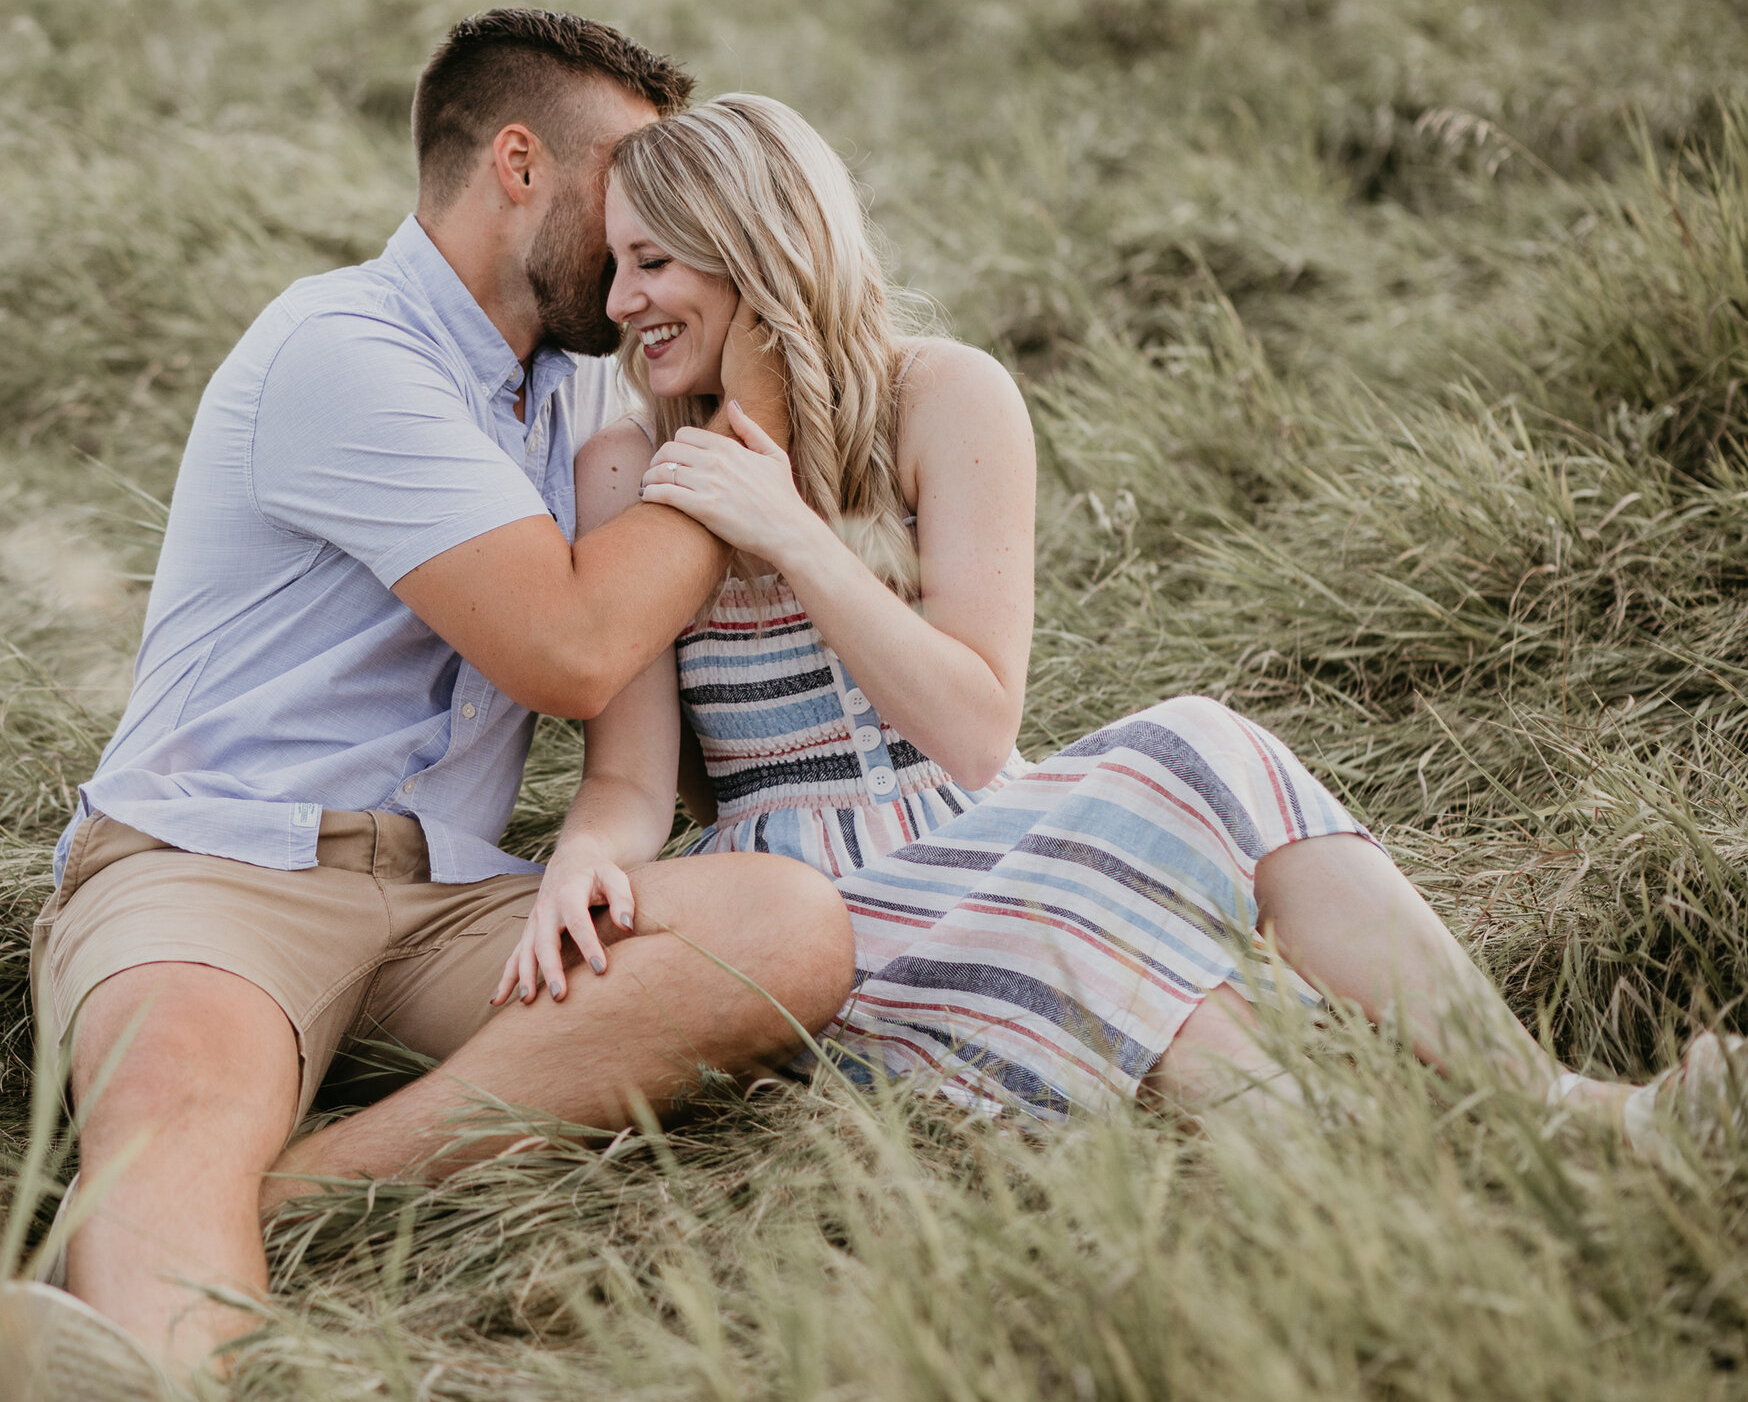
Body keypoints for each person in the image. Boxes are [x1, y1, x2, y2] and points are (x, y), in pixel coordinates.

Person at [499, 90, 1746, 1155]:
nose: (619, 302)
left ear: (755, 252)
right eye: (616, 264)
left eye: (653, 262)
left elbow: (981, 734)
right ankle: (1477, 1199)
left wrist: (790, 534)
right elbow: (631, 781)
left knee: (1202, 739)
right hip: (805, 899)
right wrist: (581, 856)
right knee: (1171, 999)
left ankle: (1567, 1112)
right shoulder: (626, 464)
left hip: (980, 816)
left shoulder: (943, 397)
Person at [0, 16, 855, 1402]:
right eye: (628, 179)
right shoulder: (340, 350)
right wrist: (743, 438)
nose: (649, 227)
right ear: (518, 164)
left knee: (787, 927)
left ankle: (266, 1197)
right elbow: (569, 643)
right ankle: (158, 1400)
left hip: (449, 891)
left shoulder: (578, 391)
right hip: (214, 862)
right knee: (184, 1083)